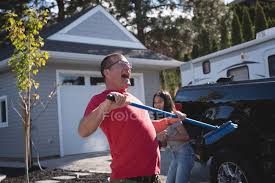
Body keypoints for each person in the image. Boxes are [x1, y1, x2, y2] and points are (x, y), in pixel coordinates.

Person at [78, 53, 186, 183]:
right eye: (123, 63)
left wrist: (169, 121)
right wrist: (105, 106)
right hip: (128, 178)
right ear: (107, 72)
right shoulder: (101, 100)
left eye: (129, 65)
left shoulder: (134, 99)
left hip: (153, 176)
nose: (128, 68)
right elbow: (83, 131)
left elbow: (146, 127)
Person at [152, 90, 195, 183]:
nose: (157, 105)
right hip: (175, 155)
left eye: (160, 102)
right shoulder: (161, 118)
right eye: (155, 102)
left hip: (185, 154)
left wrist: (168, 137)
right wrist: (162, 139)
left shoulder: (172, 116)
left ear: (166, 102)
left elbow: (186, 137)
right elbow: (164, 144)